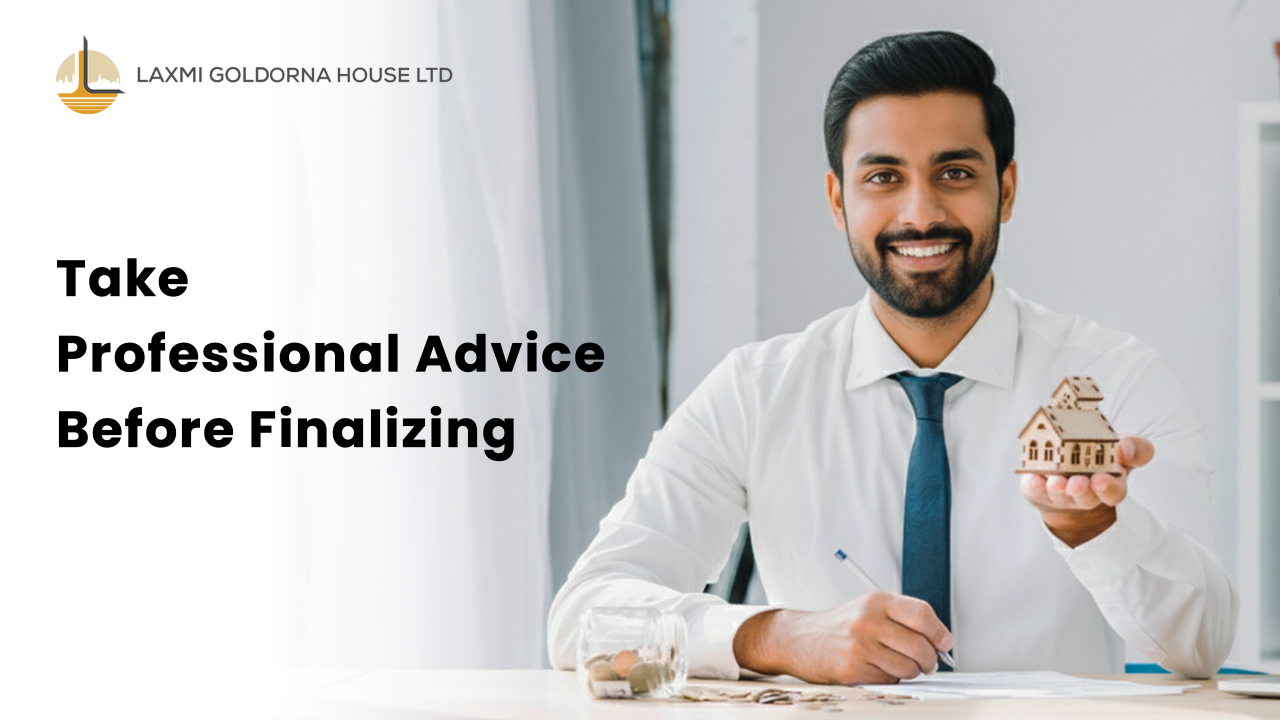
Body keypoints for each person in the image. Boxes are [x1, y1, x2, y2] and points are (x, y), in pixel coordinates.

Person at [547, 30, 1237, 684]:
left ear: (1008, 188)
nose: (920, 212)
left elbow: (1203, 644)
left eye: (956, 172)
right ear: (837, 200)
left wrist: (1095, 528)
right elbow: (584, 620)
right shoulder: (755, 392)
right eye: (883, 177)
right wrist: (777, 637)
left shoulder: (1119, 381)